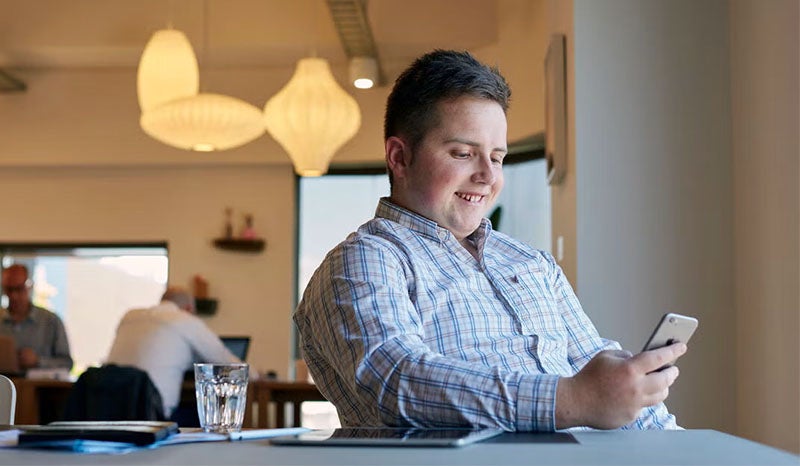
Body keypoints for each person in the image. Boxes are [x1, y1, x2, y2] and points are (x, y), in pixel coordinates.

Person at [294, 50, 688, 431]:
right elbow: (394, 382)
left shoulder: (533, 263)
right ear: (399, 158)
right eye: (463, 153)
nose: (487, 176)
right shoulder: (365, 260)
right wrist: (569, 400)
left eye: (496, 157)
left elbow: (596, 372)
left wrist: (676, 444)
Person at [106, 286, 241, 418]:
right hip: (154, 413)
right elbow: (226, 362)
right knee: (207, 413)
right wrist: (255, 374)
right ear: (188, 309)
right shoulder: (185, 320)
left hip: (107, 409)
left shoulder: (129, 316)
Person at [0, 264, 73, 371]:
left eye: (19, 288)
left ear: (29, 286)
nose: (14, 296)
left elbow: (67, 363)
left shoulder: (51, 321)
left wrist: (38, 361)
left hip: (40, 386)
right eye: (9, 289)